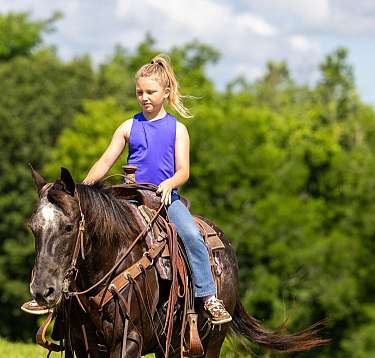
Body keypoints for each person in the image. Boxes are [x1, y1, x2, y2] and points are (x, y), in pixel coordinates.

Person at [22, 54, 231, 324]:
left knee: (191, 235)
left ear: (166, 93)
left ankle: (209, 297)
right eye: (139, 92)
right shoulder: (128, 126)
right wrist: (82, 189)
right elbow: (106, 161)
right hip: (130, 199)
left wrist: (169, 183)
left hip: (164, 199)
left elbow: (184, 171)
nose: (144, 97)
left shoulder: (178, 130)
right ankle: (55, 296)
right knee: (87, 238)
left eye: (150, 92)